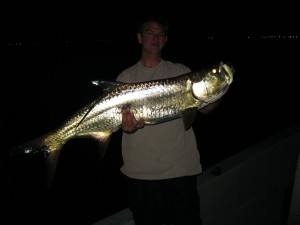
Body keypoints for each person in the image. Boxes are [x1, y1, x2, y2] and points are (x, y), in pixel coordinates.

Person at [116, 16, 219, 225]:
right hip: (140, 174)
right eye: (150, 33)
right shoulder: (124, 78)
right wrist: (125, 127)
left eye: (161, 34)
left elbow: (206, 107)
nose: (156, 38)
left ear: (165, 40)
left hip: (180, 171)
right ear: (139, 38)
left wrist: (218, 88)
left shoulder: (181, 72)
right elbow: (118, 122)